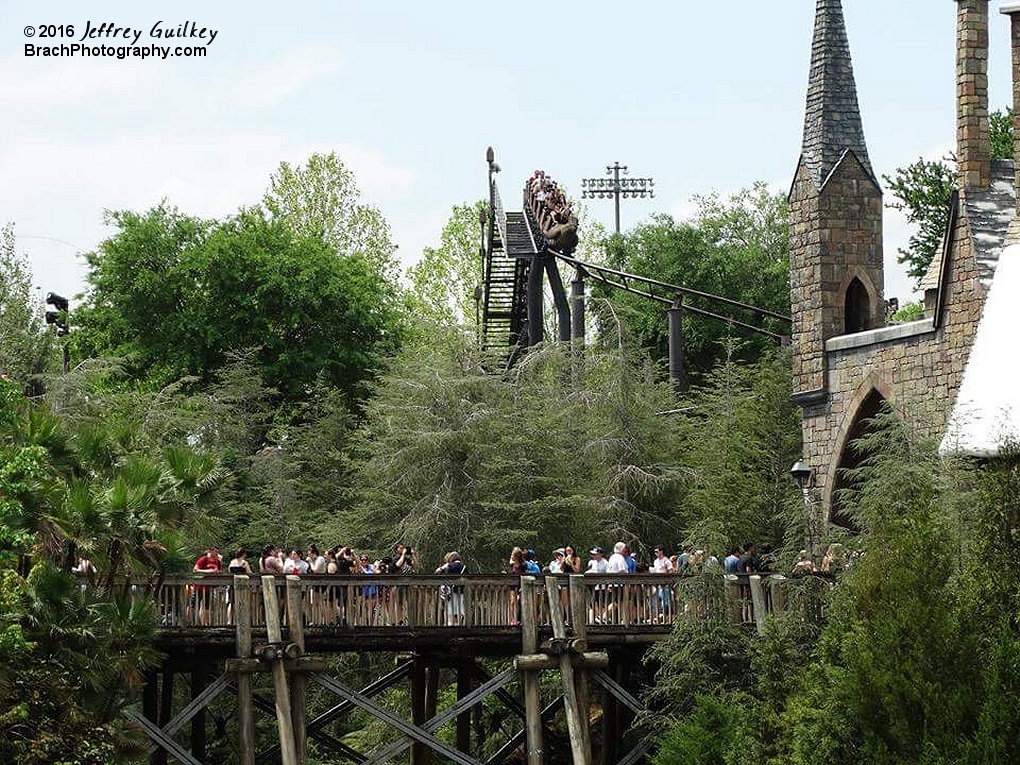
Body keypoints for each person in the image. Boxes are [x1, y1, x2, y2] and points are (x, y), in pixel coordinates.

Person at [191, 546, 222, 626]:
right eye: (216, 552)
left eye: (218, 552)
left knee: (207, 606)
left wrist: (217, 572)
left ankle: (205, 623)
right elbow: (195, 570)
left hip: (209, 587)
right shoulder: (204, 559)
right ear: (211, 551)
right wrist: (209, 571)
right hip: (199, 586)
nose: (217, 554)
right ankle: (189, 621)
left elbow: (219, 572)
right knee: (194, 605)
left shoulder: (217, 561)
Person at [435, 551, 467, 625]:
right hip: (461, 592)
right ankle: (458, 626)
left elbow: (437, 572)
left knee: (450, 611)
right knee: (459, 612)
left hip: (451, 592)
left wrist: (442, 567)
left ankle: (450, 626)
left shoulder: (449, 565)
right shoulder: (464, 567)